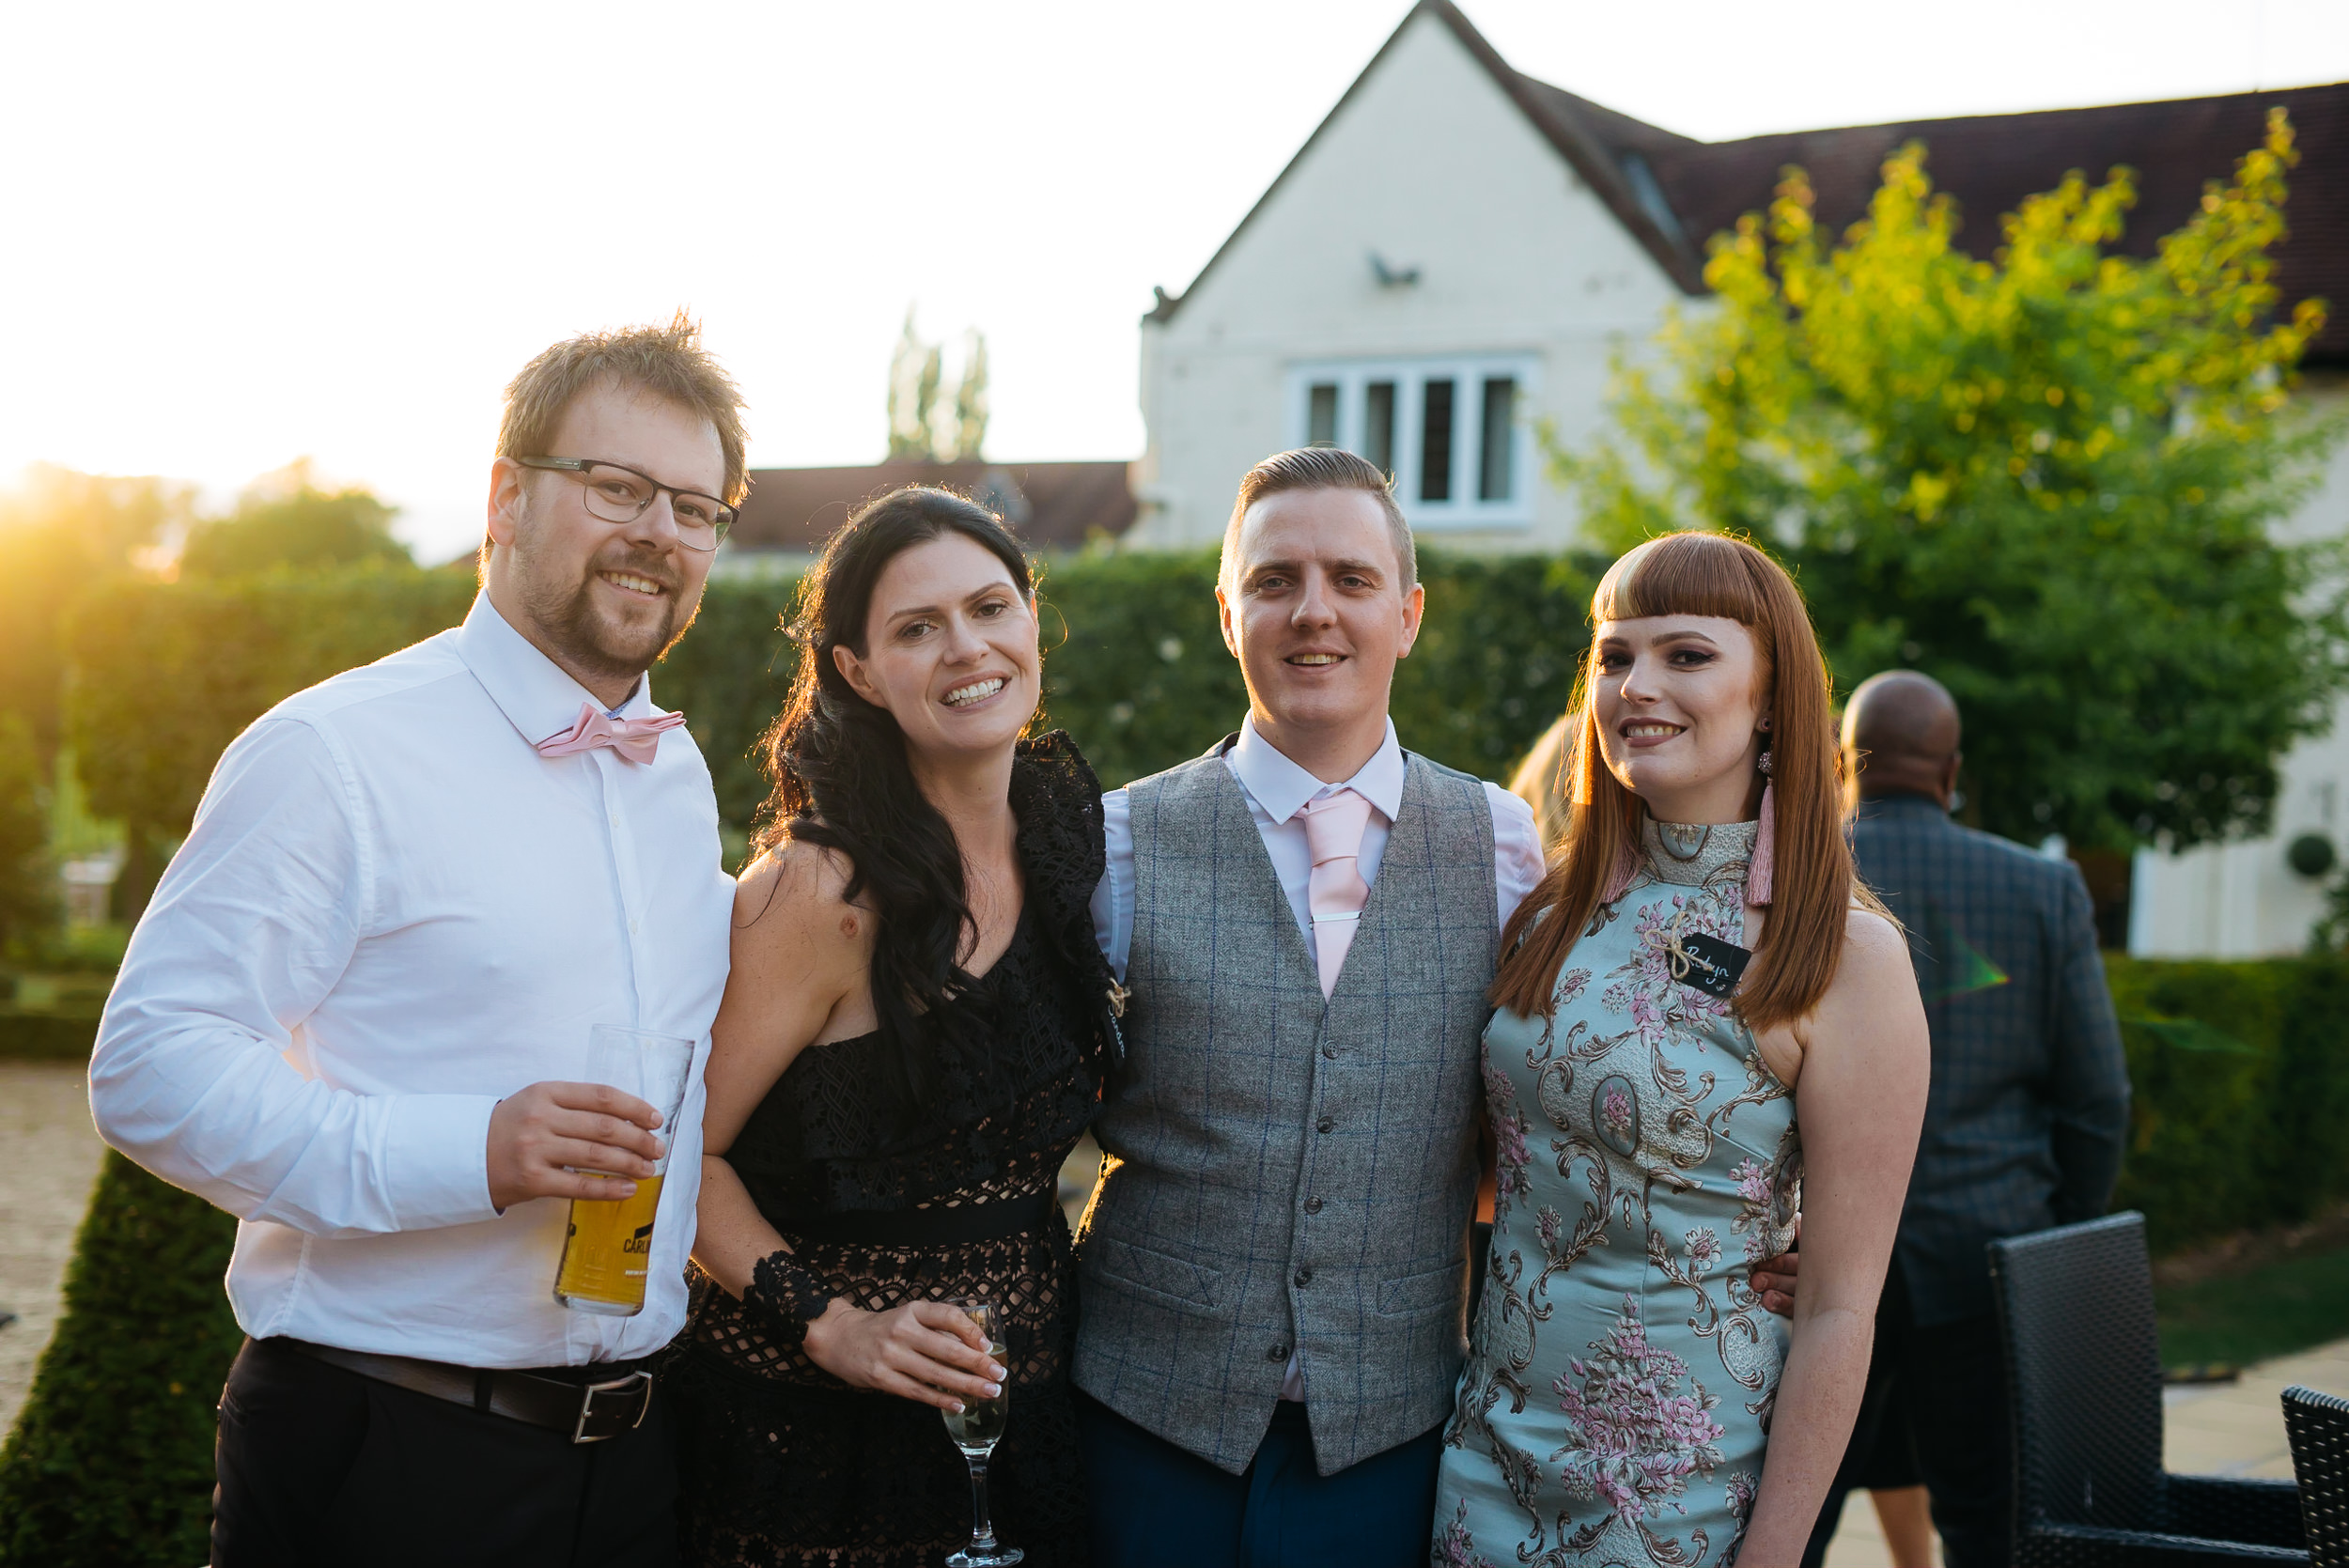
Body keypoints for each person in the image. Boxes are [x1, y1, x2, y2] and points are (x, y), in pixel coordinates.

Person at [88, 318, 748, 1566]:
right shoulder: (333, 752)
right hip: (385, 1451)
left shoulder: (675, 775)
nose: (659, 531)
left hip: (640, 1460)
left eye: (695, 505)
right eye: (616, 486)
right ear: (505, 496)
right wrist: (474, 1147)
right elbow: (149, 1064)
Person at [1070, 447, 1548, 1566]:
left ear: (1409, 613)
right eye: (1276, 579)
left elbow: (1543, 1103)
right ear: (1228, 612)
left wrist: (1732, 1230)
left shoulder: (1499, 843)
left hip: (1388, 1436)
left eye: (1350, 577)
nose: (1313, 611)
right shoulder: (1119, 841)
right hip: (1145, 1421)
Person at [1436, 531, 1930, 1567]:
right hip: (1482, 1469)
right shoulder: (1548, 911)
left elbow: (1844, 1308)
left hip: (1688, 1501)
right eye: (1614, 656)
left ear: (1772, 696)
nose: (1636, 685)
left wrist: (1776, 1551)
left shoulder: (1849, 953)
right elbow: (1502, 1173)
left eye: (1686, 654)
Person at [667, 488, 1123, 1567]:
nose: (967, 646)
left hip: (1021, 1421)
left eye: (990, 606)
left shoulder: (1064, 836)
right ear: (857, 672)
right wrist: (837, 1325)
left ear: (1030, 620)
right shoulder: (816, 893)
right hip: (814, 1448)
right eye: (917, 628)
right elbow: (679, 1151)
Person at [1797, 669, 2130, 1568]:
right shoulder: (2043, 888)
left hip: (1806, 1264)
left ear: (1841, 762)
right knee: (1989, 1519)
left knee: (1794, 1515)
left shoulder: (1790, 870)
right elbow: (2097, 1099)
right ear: (1951, 772)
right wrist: (2054, 1231)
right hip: (1987, 1254)